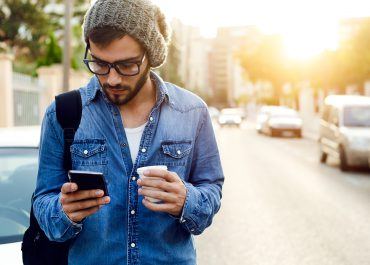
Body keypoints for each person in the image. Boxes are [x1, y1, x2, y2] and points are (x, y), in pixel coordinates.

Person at [33, 0, 224, 264]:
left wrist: (187, 201)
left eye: (127, 65)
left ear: (151, 55)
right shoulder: (62, 113)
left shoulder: (192, 111)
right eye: (100, 64)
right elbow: (43, 203)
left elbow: (211, 189)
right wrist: (63, 212)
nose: (112, 79)